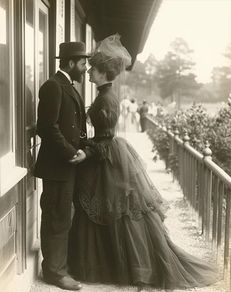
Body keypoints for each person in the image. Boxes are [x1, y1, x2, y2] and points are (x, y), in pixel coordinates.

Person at [68, 34, 217, 291]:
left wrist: (86, 152)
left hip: (106, 156)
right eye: (89, 68)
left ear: (104, 73)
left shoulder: (106, 99)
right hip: (107, 154)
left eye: (93, 69)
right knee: (114, 212)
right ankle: (113, 265)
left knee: (119, 212)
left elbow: (104, 140)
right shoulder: (107, 95)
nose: (90, 73)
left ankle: (133, 268)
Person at [34, 41, 91, 290]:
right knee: (56, 217)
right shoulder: (53, 86)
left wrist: (83, 149)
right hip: (57, 166)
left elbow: (73, 126)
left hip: (67, 164)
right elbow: (47, 127)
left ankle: (59, 267)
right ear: (70, 63)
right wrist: (71, 153)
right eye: (82, 62)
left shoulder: (67, 86)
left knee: (63, 216)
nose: (85, 68)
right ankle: (54, 272)